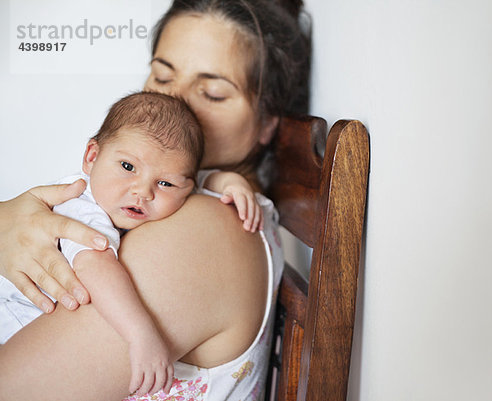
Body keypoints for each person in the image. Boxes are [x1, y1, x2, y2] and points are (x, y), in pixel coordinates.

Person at [0, 0, 310, 399]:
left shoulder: (206, 230)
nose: (177, 103)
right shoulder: (184, 198)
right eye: (163, 77)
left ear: (268, 122)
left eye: (213, 93)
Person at [0, 91, 264, 397]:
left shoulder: (166, 196)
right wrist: (141, 334)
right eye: (128, 167)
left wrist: (229, 183)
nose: (142, 191)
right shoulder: (81, 206)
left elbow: (192, 179)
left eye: (163, 183)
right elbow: (95, 267)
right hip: (14, 315)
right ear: (91, 157)